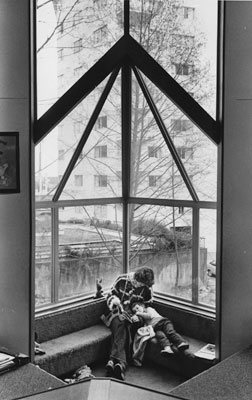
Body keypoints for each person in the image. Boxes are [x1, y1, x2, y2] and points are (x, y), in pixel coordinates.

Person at [101, 267, 154, 381]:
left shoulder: (146, 289)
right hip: (115, 312)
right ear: (136, 278)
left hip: (134, 316)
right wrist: (118, 308)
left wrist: (139, 313)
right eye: (140, 283)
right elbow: (110, 296)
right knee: (121, 323)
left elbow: (147, 306)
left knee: (125, 323)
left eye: (144, 285)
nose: (141, 286)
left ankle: (112, 361)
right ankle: (121, 363)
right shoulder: (121, 280)